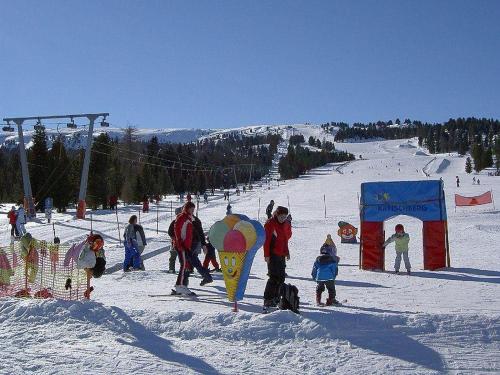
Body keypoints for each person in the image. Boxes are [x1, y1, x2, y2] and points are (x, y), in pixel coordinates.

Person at [173, 202, 212, 295]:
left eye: (193, 209)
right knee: (185, 264)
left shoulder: (191, 219)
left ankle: (181, 285)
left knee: (187, 264)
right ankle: (180, 285)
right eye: (191, 209)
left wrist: (203, 244)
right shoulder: (182, 217)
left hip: (189, 245)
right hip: (183, 245)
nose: (192, 211)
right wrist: (179, 243)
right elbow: (175, 230)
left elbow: (200, 231)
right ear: (186, 209)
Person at [263, 206, 292, 311]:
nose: (283, 219)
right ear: (277, 214)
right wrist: (266, 255)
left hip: (281, 254)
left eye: (285, 217)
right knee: (274, 277)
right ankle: (268, 299)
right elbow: (266, 241)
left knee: (281, 277)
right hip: (272, 254)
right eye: (281, 217)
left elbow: (285, 239)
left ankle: (276, 297)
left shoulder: (284, 224)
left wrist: (287, 252)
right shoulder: (270, 223)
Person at [311, 235, 340, 306]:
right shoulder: (332, 260)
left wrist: (314, 277)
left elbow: (315, 269)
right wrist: (333, 276)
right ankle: (331, 300)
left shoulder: (318, 259)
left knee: (319, 288)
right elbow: (334, 269)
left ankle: (318, 300)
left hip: (319, 277)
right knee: (331, 289)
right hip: (329, 277)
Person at [167, 207, 182, 273]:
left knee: (181, 257)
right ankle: (171, 268)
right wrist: (174, 238)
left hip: (182, 242)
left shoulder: (184, 221)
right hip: (175, 242)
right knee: (173, 256)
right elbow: (170, 232)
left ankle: (183, 269)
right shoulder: (174, 222)